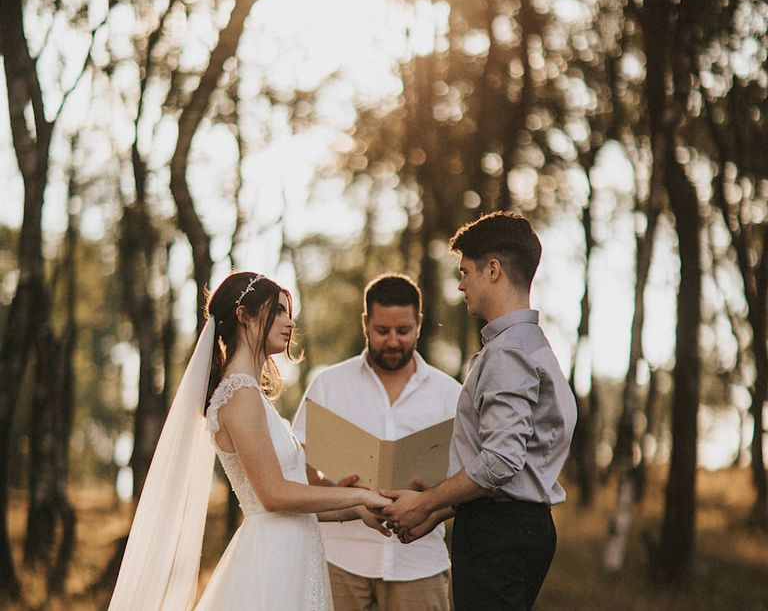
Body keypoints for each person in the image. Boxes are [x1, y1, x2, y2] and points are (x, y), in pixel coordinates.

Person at [109, 271, 392, 611]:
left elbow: (292, 505)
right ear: (244, 316)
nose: (290, 322)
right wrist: (359, 492)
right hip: (272, 563)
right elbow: (273, 496)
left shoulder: (251, 394)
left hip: (292, 552)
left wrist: (357, 509)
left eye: (290, 312)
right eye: (278, 311)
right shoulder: (240, 393)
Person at [381, 212, 578, 611]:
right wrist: (439, 510)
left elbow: (501, 461)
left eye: (465, 271)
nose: (460, 284)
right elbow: (515, 468)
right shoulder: (535, 346)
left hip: (497, 534)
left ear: (493, 270)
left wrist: (425, 501)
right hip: (513, 526)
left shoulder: (507, 353)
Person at [293, 274, 461, 611]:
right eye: (382, 331)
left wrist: (430, 505)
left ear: (420, 323)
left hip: (419, 564)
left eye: (404, 331)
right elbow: (299, 472)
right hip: (340, 560)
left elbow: (471, 481)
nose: (393, 341)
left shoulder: (450, 394)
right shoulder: (328, 386)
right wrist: (342, 496)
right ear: (366, 323)